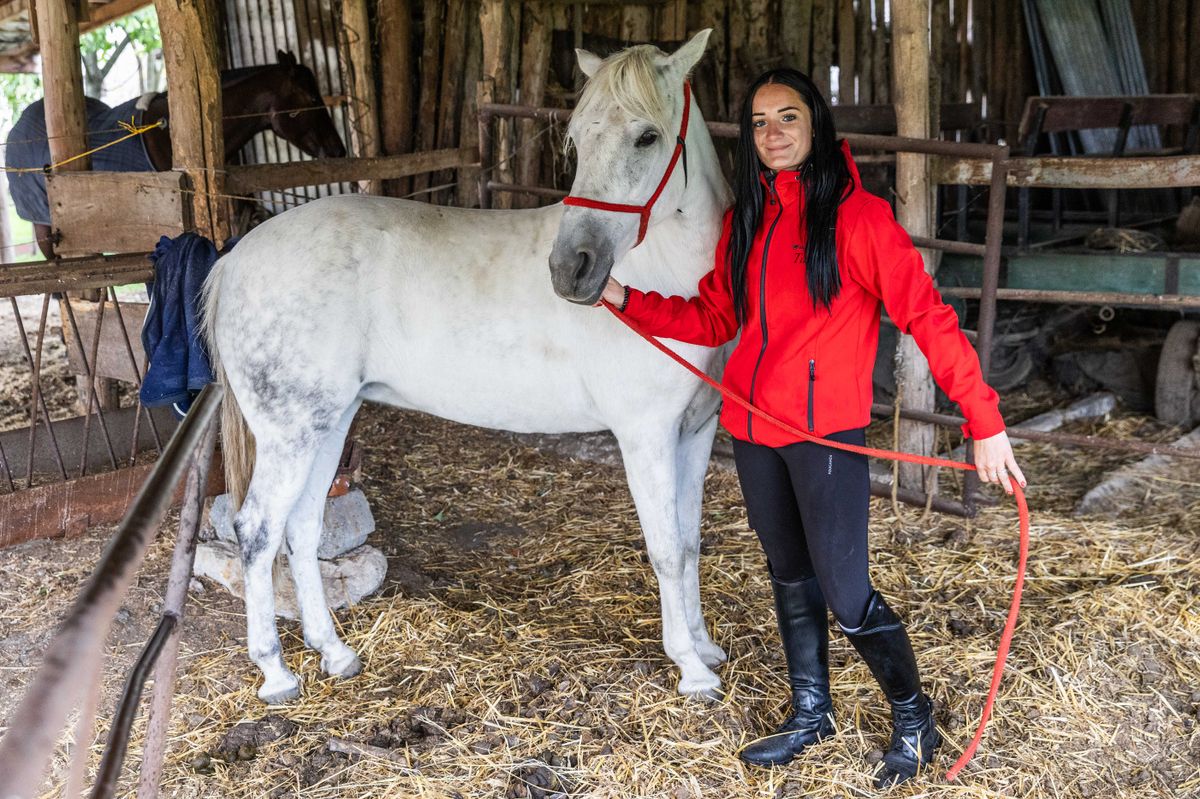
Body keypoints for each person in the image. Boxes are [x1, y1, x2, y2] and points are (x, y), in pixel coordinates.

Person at [599, 68, 1026, 788]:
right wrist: (619, 297)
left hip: (825, 436)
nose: (774, 134)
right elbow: (713, 318)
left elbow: (929, 319)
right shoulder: (748, 221)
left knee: (846, 591)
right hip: (754, 432)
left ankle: (914, 715)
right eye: (761, 121)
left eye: (788, 117)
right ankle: (811, 710)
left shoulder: (860, 221)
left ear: (816, 124)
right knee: (789, 574)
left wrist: (984, 421)